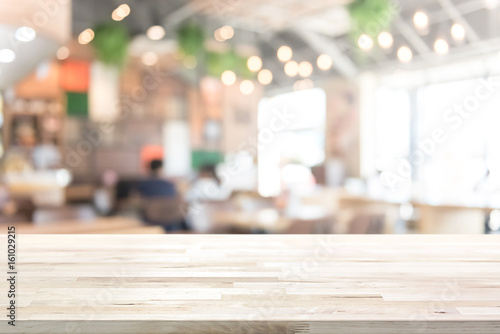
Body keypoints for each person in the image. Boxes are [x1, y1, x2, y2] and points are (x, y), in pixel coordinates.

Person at [136, 159, 187, 231]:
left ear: (149, 168)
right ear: (161, 168)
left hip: (152, 219)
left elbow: (137, 198)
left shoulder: (143, 183)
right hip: (172, 219)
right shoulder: (169, 184)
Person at [184, 164, 232, 232]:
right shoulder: (219, 185)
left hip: (200, 226)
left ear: (203, 172)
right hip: (223, 226)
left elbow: (186, 200)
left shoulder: (199, 184)